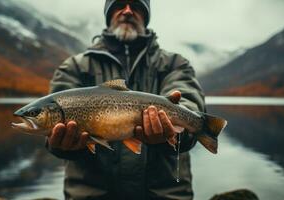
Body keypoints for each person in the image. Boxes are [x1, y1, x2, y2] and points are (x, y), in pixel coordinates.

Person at [46, 0, 205, 199]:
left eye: (136, 6)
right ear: (109, 14)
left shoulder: (175, 64)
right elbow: (53, 138)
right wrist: (64, 145)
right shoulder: (74, 68)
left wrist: (173, 133)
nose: (127, 11)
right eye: (119, 4)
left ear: (146, 16)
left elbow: (188, 104)